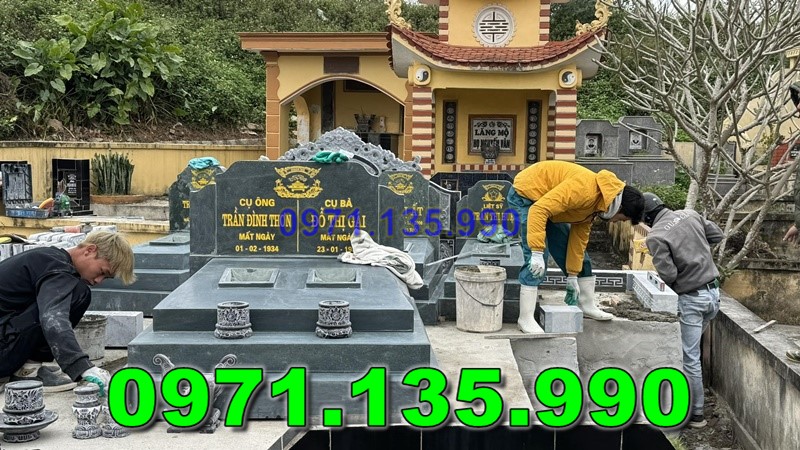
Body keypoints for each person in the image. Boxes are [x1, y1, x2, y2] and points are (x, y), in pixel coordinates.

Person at [507, 161, 645, 333]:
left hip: (547, 204)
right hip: (526, 194)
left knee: (579, 258)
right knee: (537, 261)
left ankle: (587, 305)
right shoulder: (584, 190)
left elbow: (578, 240)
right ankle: (525, 318)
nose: (618, 222)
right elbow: (538, 210)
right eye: (622, 218)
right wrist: (536, 251)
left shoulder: (597, 205)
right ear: (619, 207)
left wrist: (573, 274)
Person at [0, 231, 136, 394]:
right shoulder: (58, 270)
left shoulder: (49, 258)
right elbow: (53, 318)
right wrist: (82, 367)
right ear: (89, 250)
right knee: (78, 293)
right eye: (102, 272)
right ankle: (27, 373)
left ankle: (29, 366)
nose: (98, 281)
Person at [642, 192, 723, 429]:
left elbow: (669, 275)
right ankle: (692, 402)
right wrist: (695, 250)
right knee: (693, 352)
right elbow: (717, 235)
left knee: (690, 358)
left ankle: (696, 415)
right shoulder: (690, 214)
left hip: (692, 300)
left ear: (647, 218)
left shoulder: (656, 236)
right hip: (713, 296)